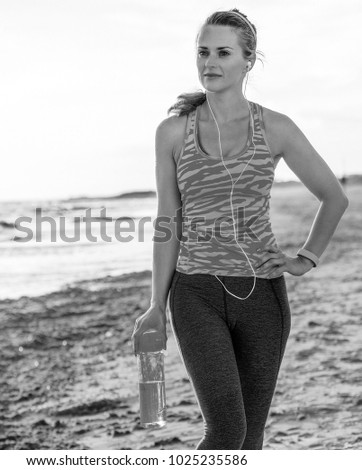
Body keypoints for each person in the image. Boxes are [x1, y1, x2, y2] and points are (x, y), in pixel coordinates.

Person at [131, 8, 349, 450]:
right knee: (226, 430)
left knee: (250, 437)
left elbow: (334, 196)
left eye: (223, 52)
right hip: (194, 293)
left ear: (248, 60)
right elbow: (167, 219)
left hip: (262, 296)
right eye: (203, 52)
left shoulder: (275, 128)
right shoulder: (172, 132)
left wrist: (304, 259)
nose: (210, 62)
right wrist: (157, 303)